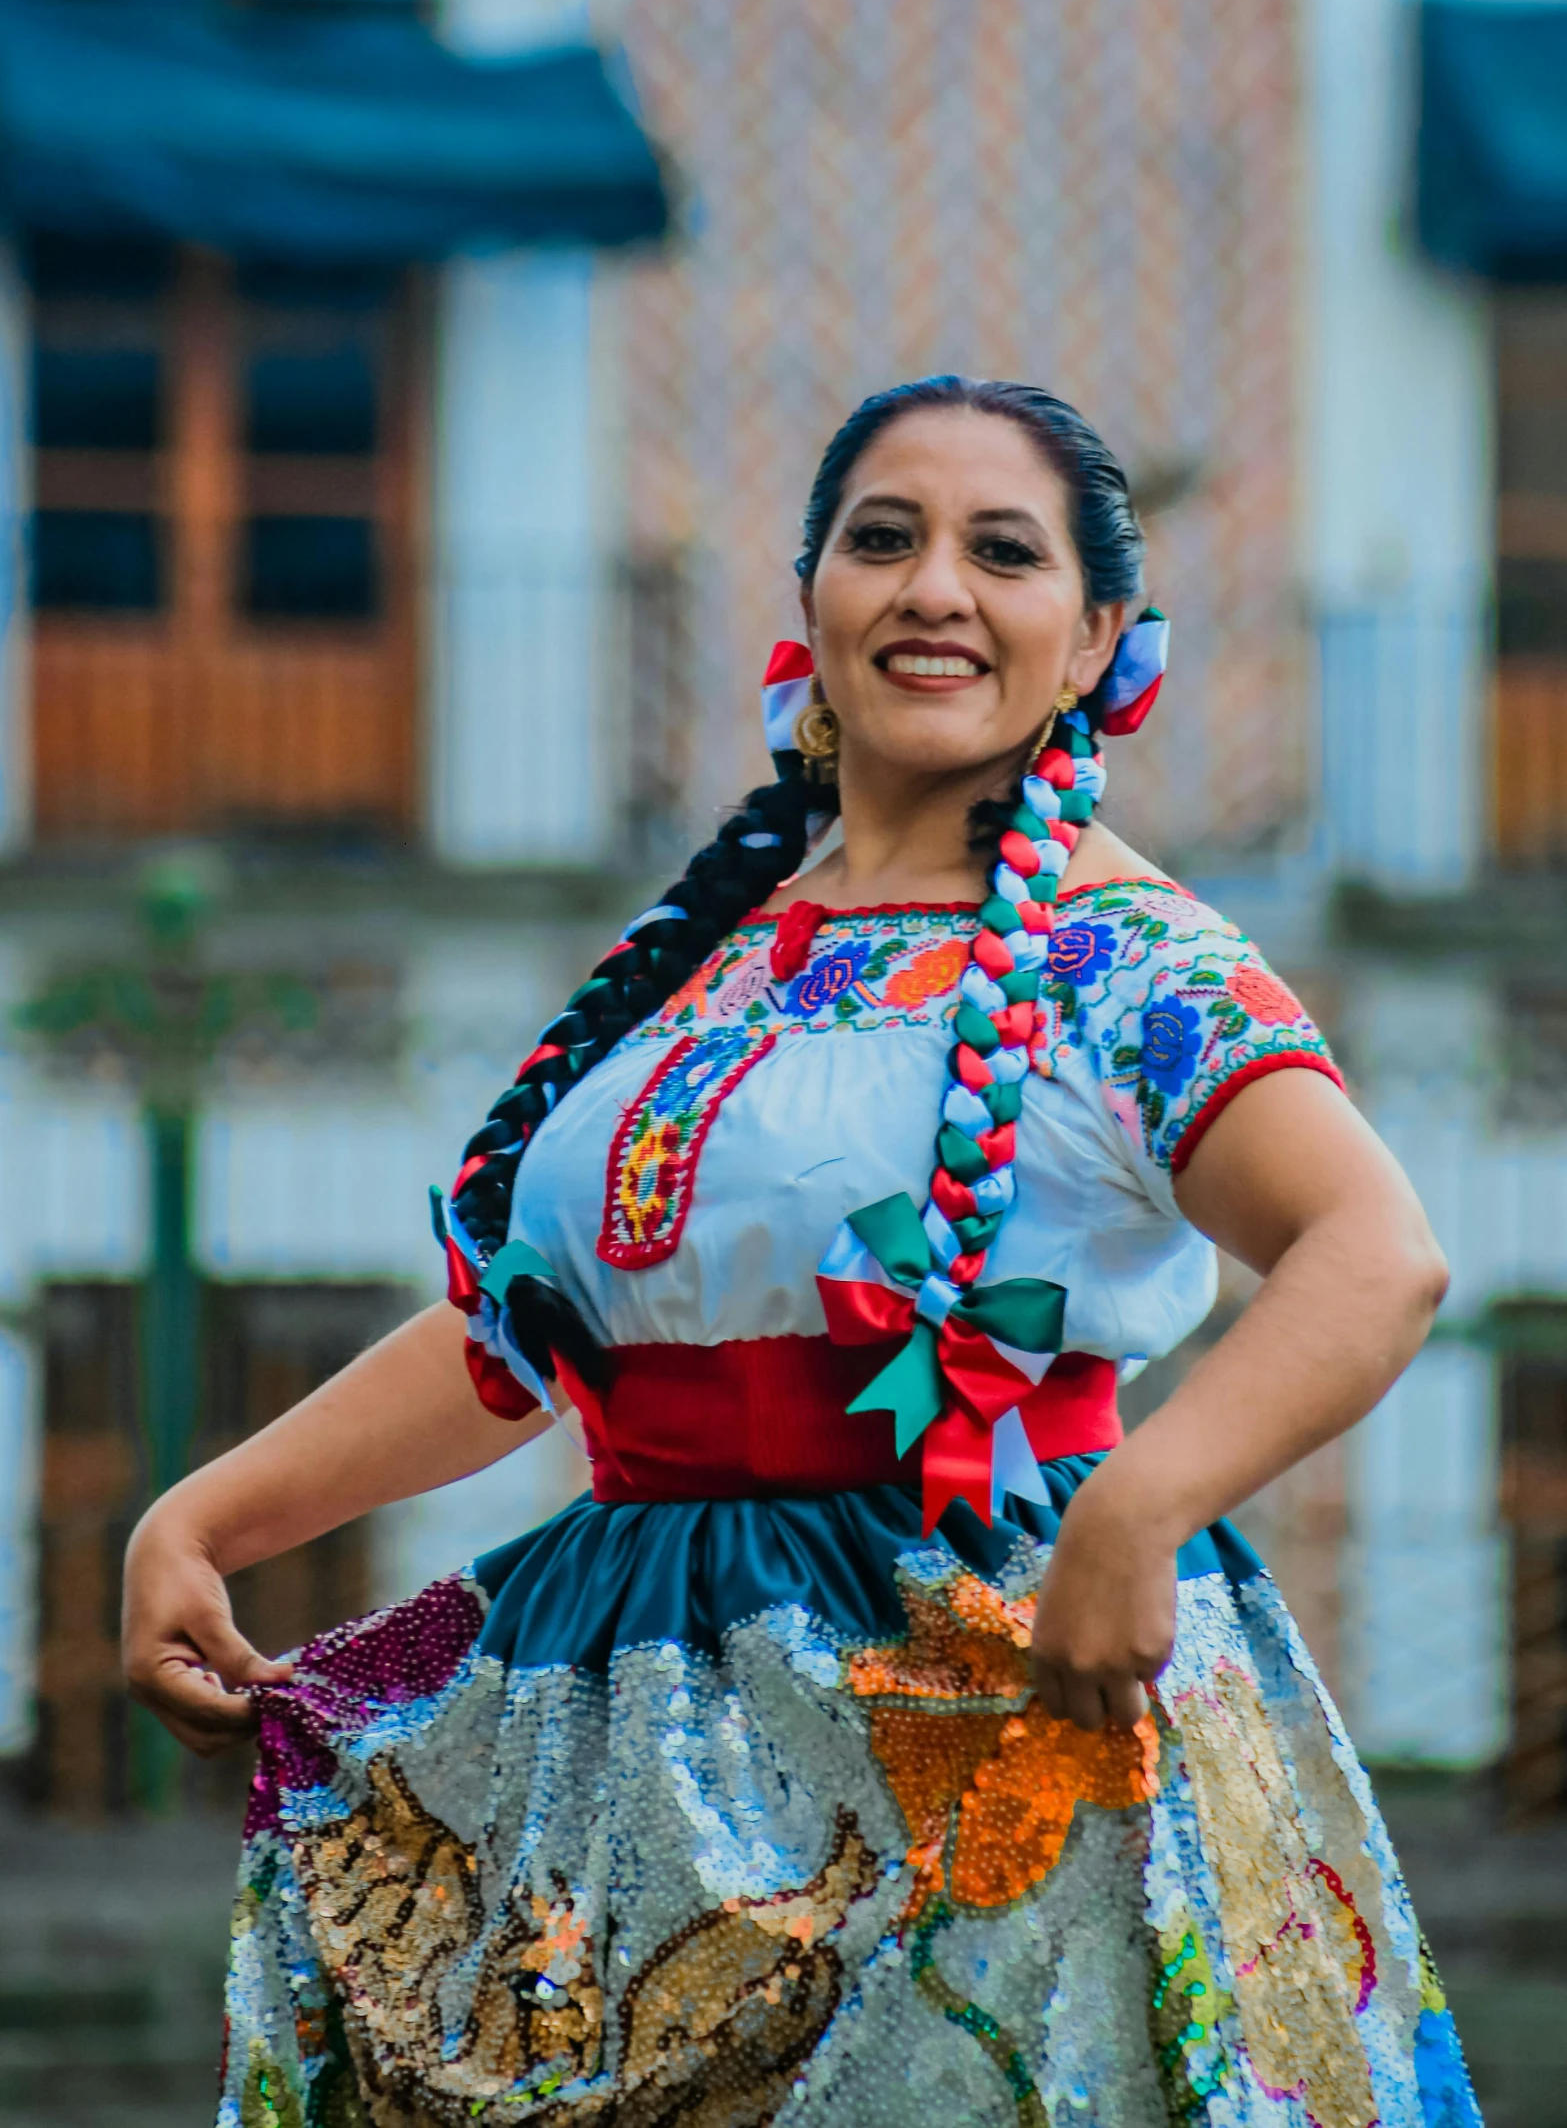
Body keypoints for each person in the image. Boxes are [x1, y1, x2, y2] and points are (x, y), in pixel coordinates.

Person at [124, 377, 1480, 2128]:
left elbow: (1375, 1256)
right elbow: (520, 1340)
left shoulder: (1130, 955)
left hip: (980, 1722)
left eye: (1001, 551)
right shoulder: (691, 958)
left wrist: (1139, 1509)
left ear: (1094, 641)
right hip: (611, 1735)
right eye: (882, 538)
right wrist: (205, 1518)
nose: (933, 587)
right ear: (813, 599)